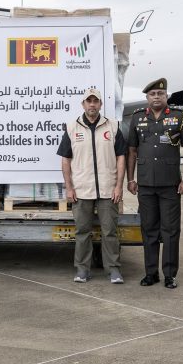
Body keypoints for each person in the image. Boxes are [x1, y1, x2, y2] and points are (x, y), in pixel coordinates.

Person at [126, 78, 183, 289]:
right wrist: (130, 178)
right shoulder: (137, 117)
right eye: (153, 94)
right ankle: (151, 273)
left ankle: (170, 274)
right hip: (146, 184)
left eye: (160, 94)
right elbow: (132, 150)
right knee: (149, 229)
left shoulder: (179, 117)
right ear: (147, 97)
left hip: (170, 184)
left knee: (170, 231)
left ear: (166, 96)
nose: (156, 97)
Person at [57, 88, 127, 284]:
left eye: (96, 101)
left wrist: (119, 186)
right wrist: (69, 187)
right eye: (89, 101)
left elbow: (121, 157)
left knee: (110, 232)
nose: (92, 104)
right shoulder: (72, 128)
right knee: (82, 232)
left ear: (100, 104)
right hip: (81, 190)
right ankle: (82, 270)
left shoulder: (113, 126)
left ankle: (113, 270)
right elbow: (65, 160)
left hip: (108, 190)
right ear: (83, 104)